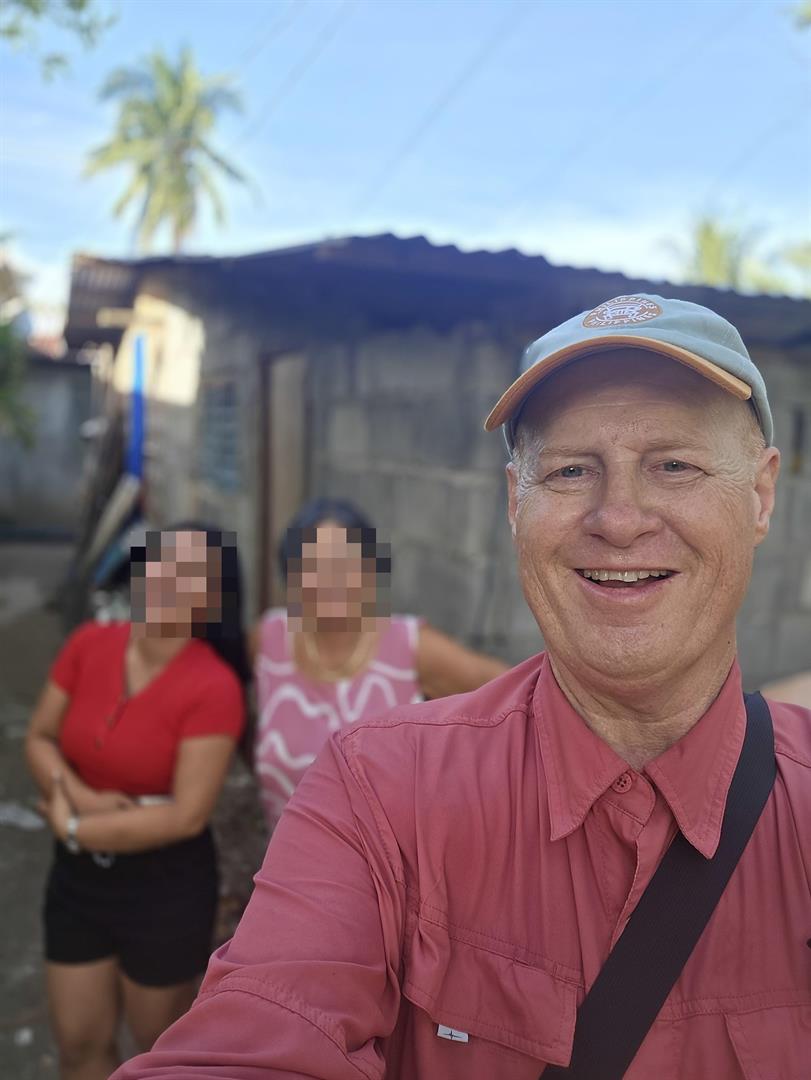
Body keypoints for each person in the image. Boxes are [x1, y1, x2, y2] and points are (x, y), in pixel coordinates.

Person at [112, 296, 810, 1079]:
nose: (618, 519)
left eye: (674, 466)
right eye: (570, 470)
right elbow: (256, 1036)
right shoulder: (376, 789)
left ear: (760, 495)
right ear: (515, 503)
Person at [26, 526, 248, 1080]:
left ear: (211, 599)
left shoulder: (215, 686)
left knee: (158, 1053)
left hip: (163, 887)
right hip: (77, 882)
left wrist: (75, 828)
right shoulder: (88, 644)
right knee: (79, 1044)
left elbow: (186, 816)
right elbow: (40, 737)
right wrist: (85, 800)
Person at [249, 497, 509, 829]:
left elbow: (514, 695)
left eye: (345, 563)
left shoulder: (409, 647)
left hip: (387, 860)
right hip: (284, 857)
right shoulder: (269, 639)